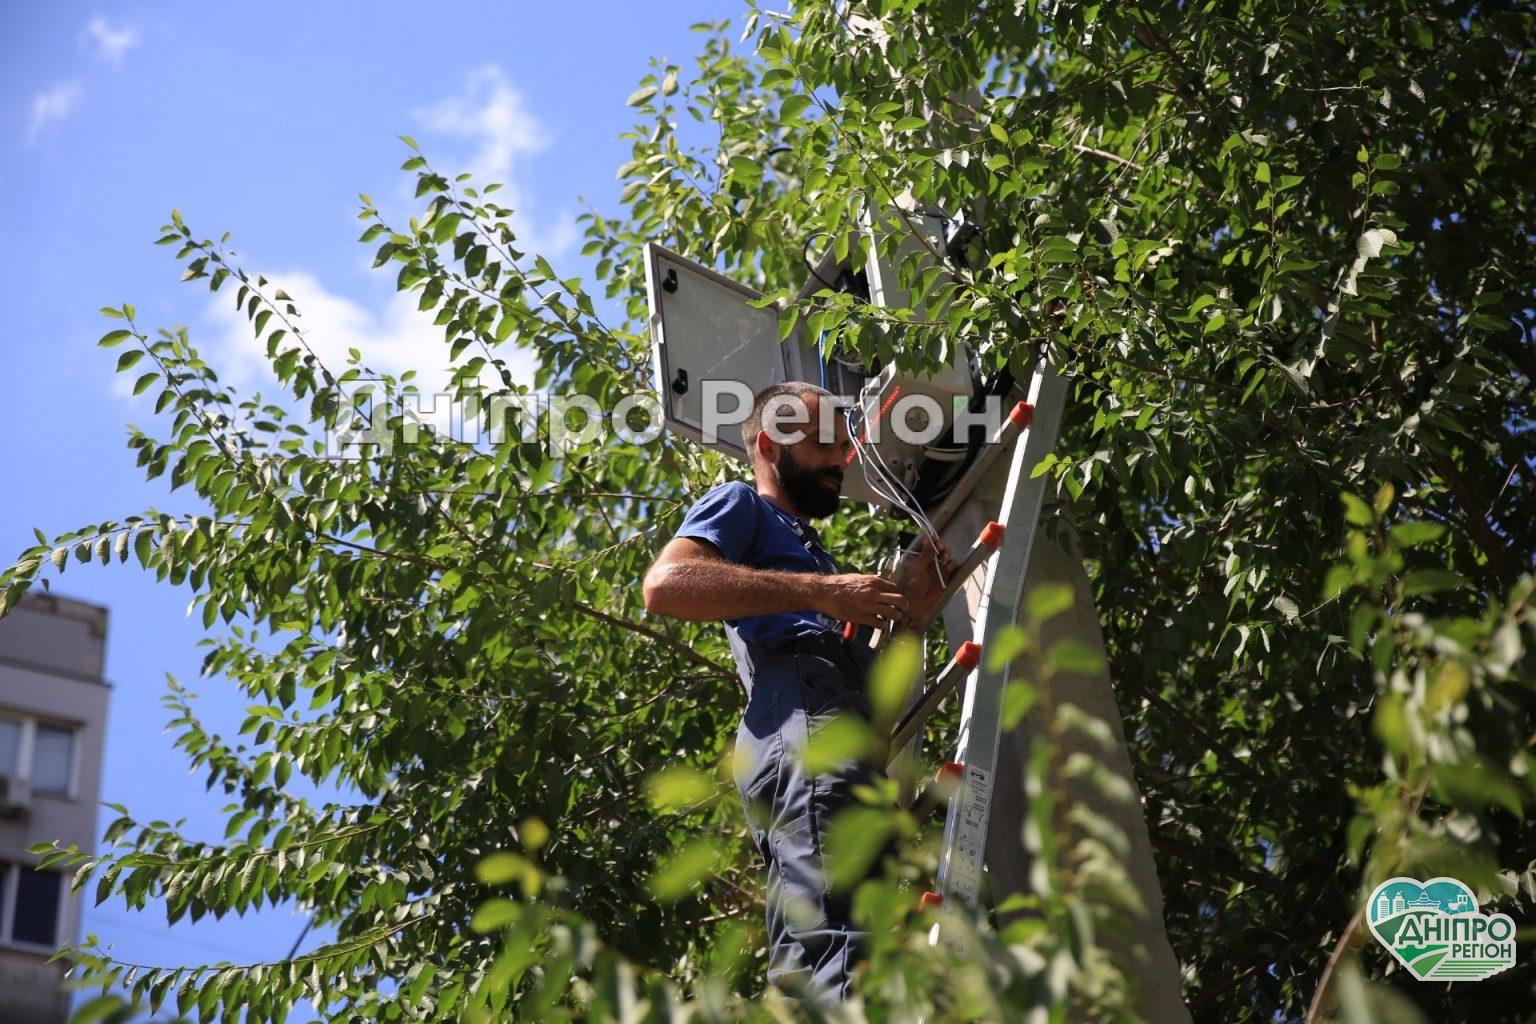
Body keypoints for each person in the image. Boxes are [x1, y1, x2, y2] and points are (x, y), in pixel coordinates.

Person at [642, 381, 956, 1002]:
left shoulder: (812, 553)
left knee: (842, 936)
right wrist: (822, 593)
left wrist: (913, 617)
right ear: (767, 445)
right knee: (837, 941)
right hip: (801, 717)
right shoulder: (743, 505)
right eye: (822, 444)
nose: (841, 459)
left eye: (844, 446)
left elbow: (877, 714)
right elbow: (665, 585)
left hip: (837, 727)